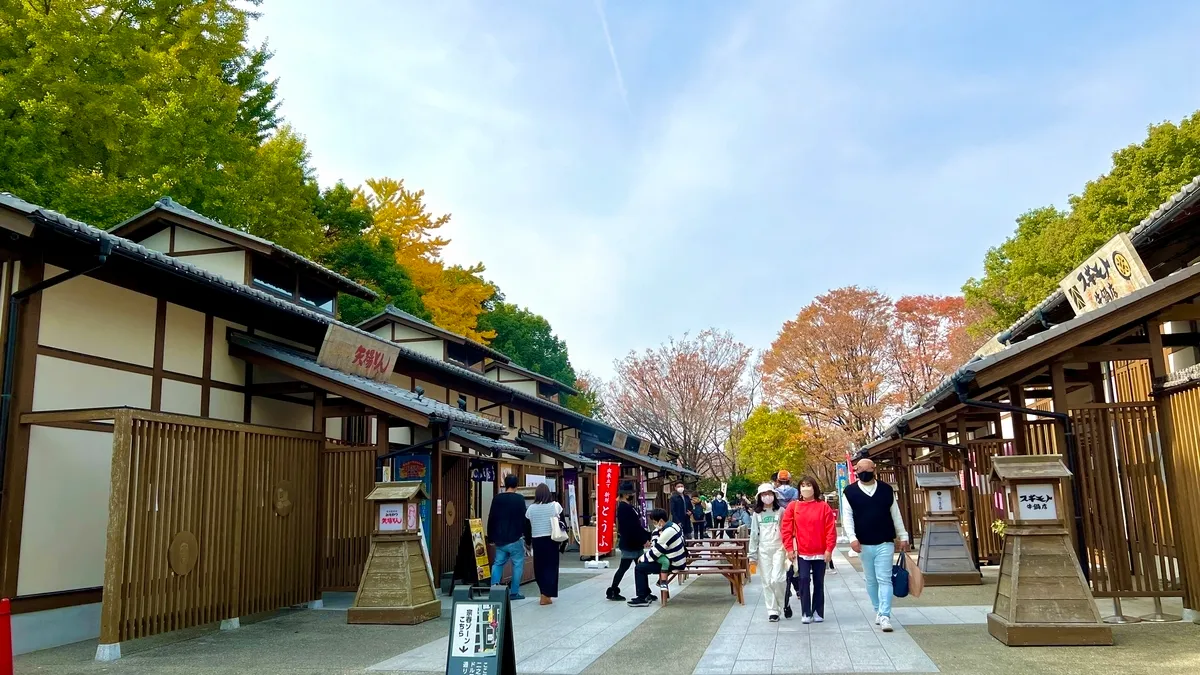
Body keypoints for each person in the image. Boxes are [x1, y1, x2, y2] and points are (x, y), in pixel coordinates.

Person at [844, 457, 909, 632]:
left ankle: (885, 614)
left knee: (884, 578)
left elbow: (895, 514)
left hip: (885, 541)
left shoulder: (886, 490)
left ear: (874, 469)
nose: (864, 473)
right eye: (860, 470)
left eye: (868, 469)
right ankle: (877, 610)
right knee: (871, 580)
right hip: (863, 543)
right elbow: (847, 517)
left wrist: (903, 535)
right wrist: (852, 537)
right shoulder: (850, 492)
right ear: (856, 471)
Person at [781, 476, 837, 624]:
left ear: (814, 488)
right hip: (801, 551)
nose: (806, 488)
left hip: (820, 551)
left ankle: (818, 611)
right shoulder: (793, 507)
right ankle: (806, 611)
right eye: (803, 485)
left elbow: (830, 529)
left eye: (809, 485)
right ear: (799, 489)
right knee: (804, 580)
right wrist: (788, 548)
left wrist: (829, 549)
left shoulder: (823, 507)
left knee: (819, 581)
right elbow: (786, 529)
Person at [627, 508, 687, 607]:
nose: (654, 524)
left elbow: (655, 552)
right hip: (678, 560)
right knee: (643, 566)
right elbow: (655, 541)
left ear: (661, 521)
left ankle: (642, 597)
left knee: (639, 568)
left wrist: (642, 558)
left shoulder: (668, 532)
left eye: (655, 522)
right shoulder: (673, 525)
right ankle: (646, 594)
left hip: (674, 563)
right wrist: (655, 533)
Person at [748, 482, 787, 622]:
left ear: (774, 495)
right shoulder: (757, 514)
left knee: (777, 579)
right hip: (763, 550)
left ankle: (783, 603)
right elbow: (754, 534)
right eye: (763, 494)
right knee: (767, 581)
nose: (767, 497)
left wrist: (788, 549)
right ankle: (772, 611)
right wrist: (752, 555)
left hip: (779, 549)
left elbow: (786, 531)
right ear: (759, 497)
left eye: (769, 494)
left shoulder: (781, 511)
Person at [487, 474, 530, 600]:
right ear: (516, 485)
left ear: (505, 484)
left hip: (500, 539)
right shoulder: (520, 499)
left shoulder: (497, 499)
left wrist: (491, 537)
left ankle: (494, 589)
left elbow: (491, 518)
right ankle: (514, 592)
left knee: (498, 563)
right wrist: (528, 539)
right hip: (516, 538)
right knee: (517, 564)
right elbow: (525, 520)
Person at [607, 483, 650, 601]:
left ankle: (645, 591)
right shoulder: (623, 508)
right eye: (630, 493)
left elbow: (636, 525)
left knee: (641, 567)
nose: (632, 495)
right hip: (629, 542)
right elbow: (630, 527)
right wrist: (644, 538)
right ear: (625, 494)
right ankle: (613, 590)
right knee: (624, 567)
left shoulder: (629, 506)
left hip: (635, 542)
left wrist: (646, 537)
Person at [526, 483, 564, 605]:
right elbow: (563, 524)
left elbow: (526, 527)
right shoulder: (555, 506)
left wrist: (528, 542)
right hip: (552, 540)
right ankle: (546, 594)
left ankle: (543, 592)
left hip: (537, 540)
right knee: (551, 567)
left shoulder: (531, 508)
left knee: (539, 567)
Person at [774, 469, 800, 616]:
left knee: (782, 562)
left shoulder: (775, 492)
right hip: (794, 529)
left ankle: (788, 588)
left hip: (778, 531)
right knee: (794, 562)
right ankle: (796, 588)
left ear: (778, 480)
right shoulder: (795, 492)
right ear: (789, 480)